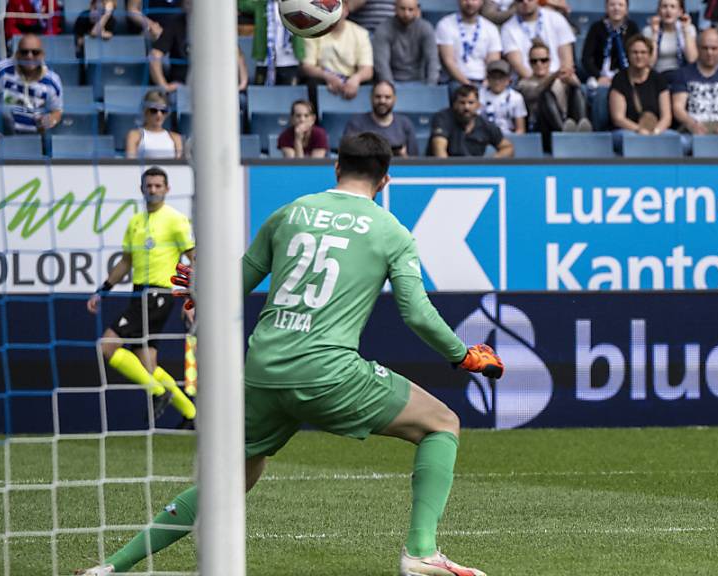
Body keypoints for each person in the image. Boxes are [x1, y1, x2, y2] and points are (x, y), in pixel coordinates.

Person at [78, 133, 504, 576]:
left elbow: (229, 290)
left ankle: (112, 566)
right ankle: (421, 552)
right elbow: (415, 313)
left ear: (336, 168)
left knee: (229, 481)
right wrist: (463, 356)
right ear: (385, 180)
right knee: (442, 424)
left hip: (262, 371)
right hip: (329, 371)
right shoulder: (390, 231)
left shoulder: (288, 214)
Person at [85, 167, 197, 425]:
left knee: (107, 346)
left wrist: (190, 300)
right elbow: (126, 262)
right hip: (139, 294)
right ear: (142, 189)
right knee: (147, 364)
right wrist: (103, 290)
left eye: (158, 186)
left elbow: (194, 261)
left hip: (159, 294)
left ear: (167, 189)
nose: (153, 190)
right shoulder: (136, 222)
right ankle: (192, 414)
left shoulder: (176, 220)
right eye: (149, 186)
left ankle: (158, 392)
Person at [0, 34, 63, 148]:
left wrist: (49, 120)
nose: (30, 56)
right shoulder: (3, 68)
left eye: (35, 52)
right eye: (25, 52)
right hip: (0, 134)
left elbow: (57, 111)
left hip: (33, 137)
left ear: (42, 55)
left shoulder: (52, 80)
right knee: (3, 109)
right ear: (17, 54)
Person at [671, 28, 718, 136]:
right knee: (682, 143)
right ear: (698, 48)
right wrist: (691, 124)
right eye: (704, 48)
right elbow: (678, 107)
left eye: (714, 48)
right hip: (693, 128)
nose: (709, 52)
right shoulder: (683, 74)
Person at [517, 40, 590, 139]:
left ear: (549, 61)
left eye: (543, 60)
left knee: (576, 90)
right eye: (534, 61)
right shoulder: (524, 83)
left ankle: (583, 127)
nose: (539, 64)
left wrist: (571, 79)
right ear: (529, 63)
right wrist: (554, 76)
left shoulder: (560, 79)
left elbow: (580, 90)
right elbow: (538, 91)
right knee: (546, 95)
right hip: (542, 128)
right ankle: (563, 133)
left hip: (567, 120)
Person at [300, 3, 374, 100]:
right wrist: (327, 77)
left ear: (346, 11)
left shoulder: (360, 33)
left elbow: (367, 70)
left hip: (351, 78)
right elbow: (307, 67)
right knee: (311, 83)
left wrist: (356, 79)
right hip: (323, 77)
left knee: (371, 85)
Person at [609, 35, 673, 145]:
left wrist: (656, 131)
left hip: (655, 129)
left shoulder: (658, 79)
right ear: (628, 55)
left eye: (643, 52)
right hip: (628, 130)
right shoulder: (619, 79)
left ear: (649, 55)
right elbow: (618, 118)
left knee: (676, 140)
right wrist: (639, 130)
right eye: (635, 52)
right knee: (631, 139)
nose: (639, 56)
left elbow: (666, 116)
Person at [430, 84, 514, 157]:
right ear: (454, 104)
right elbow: (439, 150)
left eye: (471, 103)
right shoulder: (443, 118)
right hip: (447, 170)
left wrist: (490, 163)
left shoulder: (485, 124)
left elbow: (507, 147)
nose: (466, 107)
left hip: (475, 171)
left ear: (478, 105)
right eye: (462, 103)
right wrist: (447, 172)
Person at [500, 0, 576, 79]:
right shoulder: (507, 28)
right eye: (520, 0)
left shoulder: (556, 18)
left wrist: (556, 79)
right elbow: (518, 65)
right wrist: (541, 84)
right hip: (527, 80)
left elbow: (567, 61)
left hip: (558, 78)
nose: (525, 2)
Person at [371, 0, 440, 85]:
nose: (406, 14)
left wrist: (431, 87)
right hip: (392, 81)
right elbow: (381, 65)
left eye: (410, 9)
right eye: (402, 9)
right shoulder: (383, 29)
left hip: (419, 81)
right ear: (395, 8)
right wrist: (390, 87)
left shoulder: (426, 28)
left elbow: (432, 59)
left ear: (417, 10)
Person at [435, 0, 502, 86]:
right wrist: (468, 85)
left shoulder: (491, 28)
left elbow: (493, 62)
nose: (470, 3)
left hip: (483, 81)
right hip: (456, 81)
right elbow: (449, 61)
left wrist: (486, 83)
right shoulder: (445, 25)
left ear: (482, 2)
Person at [342, 80, 419, 156]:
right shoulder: (356, 124)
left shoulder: (405, 124)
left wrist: (403, 157)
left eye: (387, 97)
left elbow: (416, 162)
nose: (382, 101)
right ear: (371, 97)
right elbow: (347, 157)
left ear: (394, 99)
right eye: (378, 96)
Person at [582, 0, 639, 86]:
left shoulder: (632, 28)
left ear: (626, 9)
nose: (616, 8)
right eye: (612, 5)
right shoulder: (596, 28)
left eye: (620, 5)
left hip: (626, 75)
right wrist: (598, 76)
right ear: (606, 8)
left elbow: (637, 54)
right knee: (593, 86)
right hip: (600, 75)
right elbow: (586, 58)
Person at [642, 0, 697, 84]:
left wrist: (685, 31)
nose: (668, 11)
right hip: (656, 77)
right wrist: (655, 34)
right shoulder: (648, 30)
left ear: (680, 12)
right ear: (659, 11)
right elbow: (649, 63)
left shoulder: (689, 28)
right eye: (664, 6)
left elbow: (692, 59)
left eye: (672, 7)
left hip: (681, 77)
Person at [125, 90, 184, 159]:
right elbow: (130, 166)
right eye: (154, 110)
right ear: (145, 111)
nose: (159, 115)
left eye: (163, 111)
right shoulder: (134, 136)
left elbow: (179, 168)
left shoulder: (176, 138)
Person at [479, 59, 527, 134]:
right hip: (485, 137)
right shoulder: (480, 95)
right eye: (493, 77)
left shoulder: (516, 98)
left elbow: (520, 129)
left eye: (501, 78)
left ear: (508, 79)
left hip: (509, 137)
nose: (497, 81)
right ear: (488, 78)